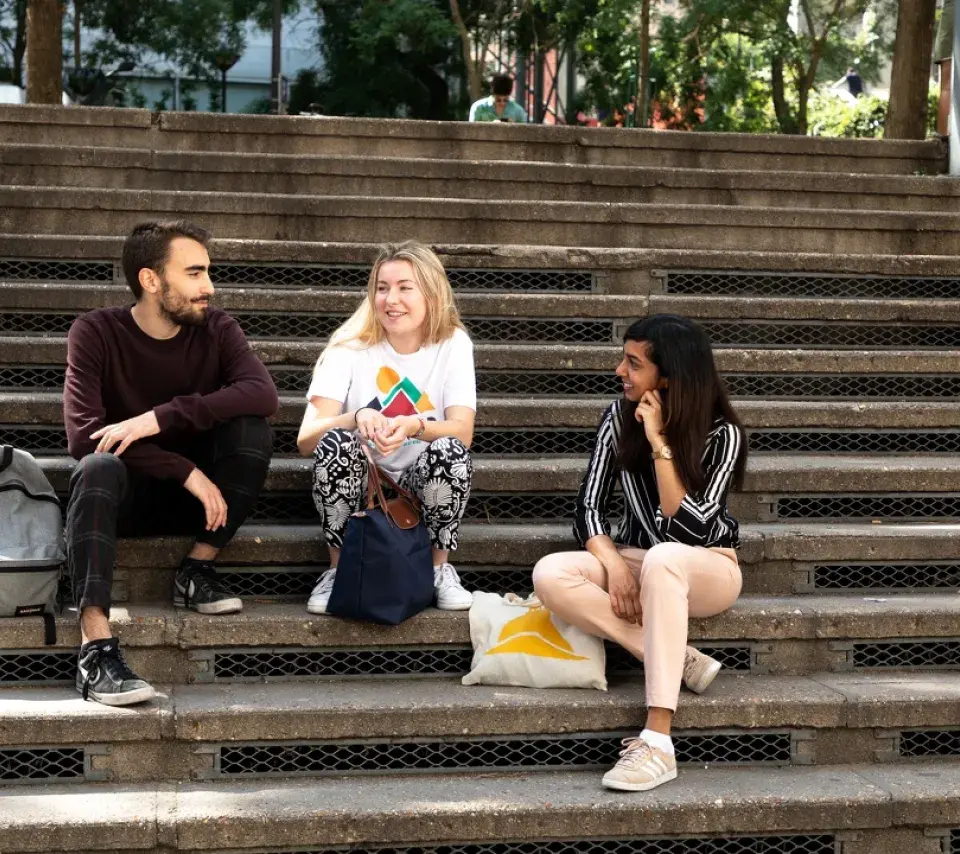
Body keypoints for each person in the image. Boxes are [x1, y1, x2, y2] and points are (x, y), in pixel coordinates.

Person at [64, 221, 278, 706]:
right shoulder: (95, 332)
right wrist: (183, 469)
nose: (209, 287)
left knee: (252, 429)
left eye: (208, 273)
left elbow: (262, 393)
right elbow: (83, 438)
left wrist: (158, 418)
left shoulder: (218, 328)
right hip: (126, 501)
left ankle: (195, 571)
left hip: (202, 508)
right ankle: (95, 647)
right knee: (96, 468)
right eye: (195, 273)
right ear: (151, 279)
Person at [532, 314, 747, 793]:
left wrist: (658, 443)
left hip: (707, 568)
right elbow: (588, 507)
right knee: (551, 572)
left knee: (665, 556)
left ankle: (657, 741)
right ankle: (676, 656)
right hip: (638, 558)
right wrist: (614, 567)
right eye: (623, 359)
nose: (619, 371)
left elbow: (688, 528)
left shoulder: (722, 433)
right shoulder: (616, 416)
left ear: (667, 376)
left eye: (633, 363)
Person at [298, 240, 476, 615]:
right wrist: (356, 416)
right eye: (382, 288)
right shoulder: (348, 347)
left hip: (417, 483)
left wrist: (414, 425)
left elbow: (462, 431)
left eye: (404, 287)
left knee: (450, 451)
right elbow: (305, 439)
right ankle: (338, 569)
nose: (390, 299)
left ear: (431, 293)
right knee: (334, 444)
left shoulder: (453, 344)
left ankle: (438, 568)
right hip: (363, 483)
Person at [937, 0, 955, 136]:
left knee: (946, 85)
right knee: (947, 85)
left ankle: (942, 137)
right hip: (952, 13)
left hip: (951, 14)